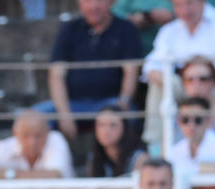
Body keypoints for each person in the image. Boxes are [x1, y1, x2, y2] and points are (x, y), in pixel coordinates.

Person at [141, 0, 215, 146]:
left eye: (189, 3)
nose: (185, 10)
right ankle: (155, 146)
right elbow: (151, 65)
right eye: (178, 5)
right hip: (188, 82)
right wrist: (165, 77)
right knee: (160, 87)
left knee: (202, 78)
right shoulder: (170, 30)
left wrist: (198, 68)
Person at [39, 0, 141, 141]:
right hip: (73, 104)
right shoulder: (69, 29)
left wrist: (122, 104)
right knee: (34, 118)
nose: (93, 6)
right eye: (88, 1)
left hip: (110, 102)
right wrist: (64, 114)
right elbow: (56, 75)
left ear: (110, 3)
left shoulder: (126, 29)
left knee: (128, 116)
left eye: (99, 1)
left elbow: (131, 72)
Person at [0, 109, 73, 179]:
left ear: (48, 132)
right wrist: (11, 175)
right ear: (15, 133)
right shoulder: (5, 146)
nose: (32, 142)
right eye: (26, 135)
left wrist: (8, 175)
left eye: (38, 135)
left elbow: (55, 176)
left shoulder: (56, 140)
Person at [174, 55, 215, 142]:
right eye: (190, 80)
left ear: (214, 81)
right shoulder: (174, 112)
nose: (196, 85)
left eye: (203, 79)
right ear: (183, 83)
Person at [168, 96, 215, 175]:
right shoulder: (174, 151)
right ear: (178, 122)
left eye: (198, 120)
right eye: (185, 120)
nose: (191, 126)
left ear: (209, 120)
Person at [84, 104, 144, 176]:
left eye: (112, 125)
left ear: (124, 128)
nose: (106, 131)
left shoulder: (139, 158)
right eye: (101, 125)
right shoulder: (93, 157)